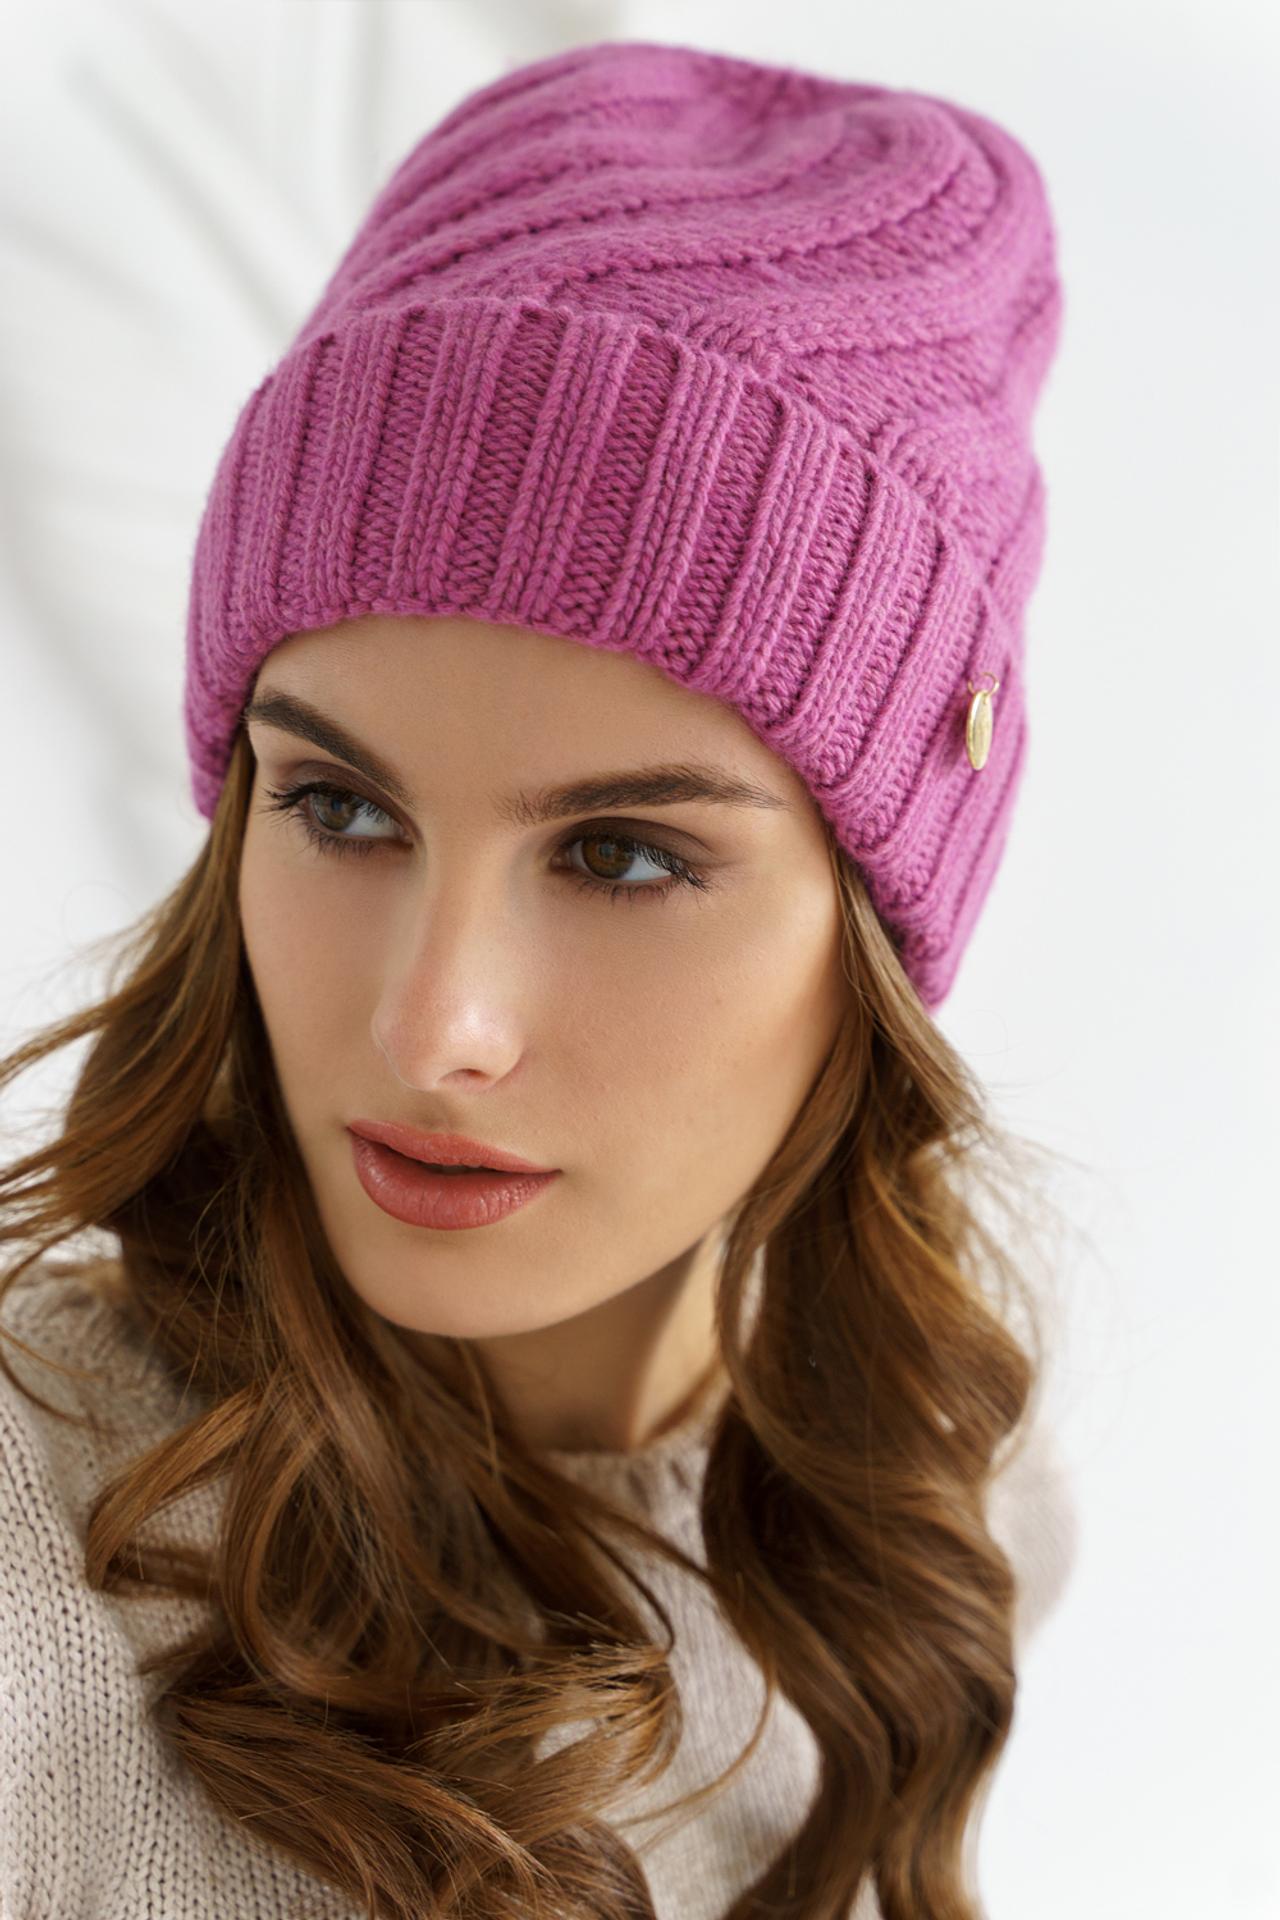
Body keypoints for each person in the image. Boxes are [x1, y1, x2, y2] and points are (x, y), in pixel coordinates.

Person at [0, 37, 1077, 1920]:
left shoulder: (932, 1523)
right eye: (340, 808)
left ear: (881, 925)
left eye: (622, 855)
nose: (432, 1029)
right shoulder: (40, 1555)